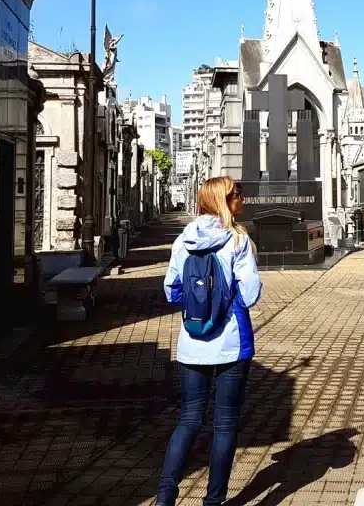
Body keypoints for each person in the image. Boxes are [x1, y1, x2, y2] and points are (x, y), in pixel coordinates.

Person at [156, 176, 262, 506]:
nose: (241, 198)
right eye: (236, 194)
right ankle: (213, 502)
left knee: (189, 420)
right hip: (232, 342)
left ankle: (164, 497)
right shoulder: (237, 240)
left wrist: (200, 307)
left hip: (192, 342)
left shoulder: (183, 240)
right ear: (223, 200)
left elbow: (172, 291)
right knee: (225, 425)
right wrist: (225, 304)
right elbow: (250, 293)